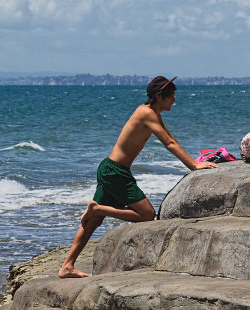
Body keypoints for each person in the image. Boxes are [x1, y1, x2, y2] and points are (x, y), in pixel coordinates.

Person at [58, 76, 218, 278]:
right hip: (115, 172)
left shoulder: (152, 112)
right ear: (160, 96)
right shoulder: (146, 113)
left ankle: (67, 266)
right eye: (171, 97)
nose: (174, 101)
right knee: (147, 215)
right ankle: (96, 209)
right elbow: (168, 143)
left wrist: (197, 160)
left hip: (110, 169)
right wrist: (194, 165)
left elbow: (171, 139)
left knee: (93, 222)